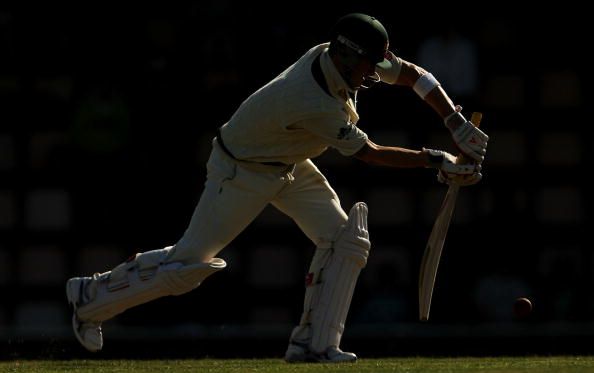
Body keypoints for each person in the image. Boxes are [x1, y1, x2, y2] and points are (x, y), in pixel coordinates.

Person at [66, 13, 488, 363]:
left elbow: (414, 75)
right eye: (368, 66)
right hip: (241, 171)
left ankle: (313, 344)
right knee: (187, 269)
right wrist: (438, 160)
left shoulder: (346, 58)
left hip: (287, 162)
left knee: (346, 241)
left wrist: (455, 122)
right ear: (345, 55)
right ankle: (91, 297)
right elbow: (370, 153)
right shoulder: (311, 99)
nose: (373, 75)